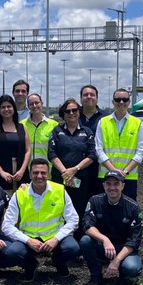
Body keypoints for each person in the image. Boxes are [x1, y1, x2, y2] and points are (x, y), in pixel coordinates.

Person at [1, 158, 81, 281]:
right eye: (35, 173)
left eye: (43, 173)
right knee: (12, 253)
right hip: (30, 237)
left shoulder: (60, 190)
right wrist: (28, 240)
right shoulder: (20, 194)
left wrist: (56, 239)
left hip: (54, 236)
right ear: (30, 174)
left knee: (72, 248)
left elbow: (74, 219)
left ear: (48, 174)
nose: (39, 176)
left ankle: (58, 262)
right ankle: (31, 265)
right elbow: (6, 225)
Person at [80, 170, 143, 285]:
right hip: (103, 246)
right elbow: (87, 226)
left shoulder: (133, 207)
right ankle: (96, 275)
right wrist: (105, 240)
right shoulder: (94, 201)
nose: (112, 187)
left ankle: (124, 276)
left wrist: (117, 260)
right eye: (108, 184)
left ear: (123, 186)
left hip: (124, 248)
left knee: (132, 268)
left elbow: (134, 240)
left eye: (116, 184)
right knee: (85, 241)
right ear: (103, 185)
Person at [48, 98, 96, 240]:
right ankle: (59, 240)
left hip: (80, 179)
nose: (71, 113)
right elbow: (51, 154)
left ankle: (78, 241)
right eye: (67, 111)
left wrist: (74, 169)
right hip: (60, 178)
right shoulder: (57, 131)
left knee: (78, 209)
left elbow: (92, 155)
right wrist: (65, 172)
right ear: (63, 114)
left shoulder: (87, 132)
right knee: (59, 209)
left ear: (79, 112)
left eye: (74, 110)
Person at [94, 88, 143, 201]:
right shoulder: (103, 122)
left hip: (129, 176)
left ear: (129, 102)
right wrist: (113, 171)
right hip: (106, 176)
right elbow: (98, 150)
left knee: (128, 208)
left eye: (124, 99)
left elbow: (141, 152)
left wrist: (124, 172)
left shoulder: (138, 123)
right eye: (118, 100)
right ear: (113, 102)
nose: (121, 102)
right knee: (105, 208)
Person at [0, 94, 31, 191]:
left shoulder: (22, 127)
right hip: (1, 172)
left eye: (9, 106)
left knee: (22, 197)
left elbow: (28, 150)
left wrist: (22, 170)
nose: (6, 109)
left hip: (20, 172)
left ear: (14, 108)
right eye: (3, 107)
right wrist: (1, 172)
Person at [78, 85, 107, 198]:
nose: (89, 97)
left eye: (92, 95)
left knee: (99, 200)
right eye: (85, 95)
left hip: (100, 168)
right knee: (79, 200)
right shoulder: (74, 116)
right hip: (79, 168)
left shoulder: (106, 118)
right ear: (81, 98)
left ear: (97, 98)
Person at [20, 93, 59, 165]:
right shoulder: (22, 125)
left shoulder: (54, 125)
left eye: (37, 103)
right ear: (28, 106)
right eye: (31, 104)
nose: (34, 106)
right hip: (28, 169)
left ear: (42, 103)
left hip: (48, 169)